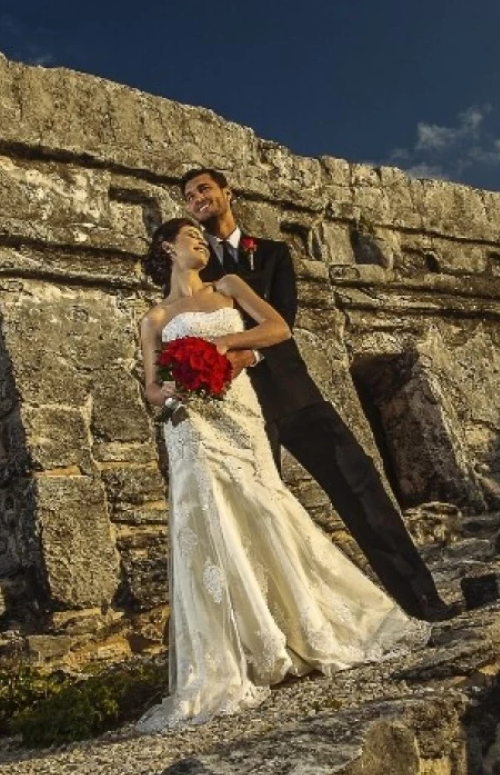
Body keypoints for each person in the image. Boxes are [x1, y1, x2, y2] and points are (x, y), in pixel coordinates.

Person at [134, 218, 429, 732]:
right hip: (192, 426)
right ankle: (244, 648)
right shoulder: (155, 317)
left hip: (237, 411)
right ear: (167, 247)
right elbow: (152, 390)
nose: (201, 242)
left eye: (204, 238)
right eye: (191, 237)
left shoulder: (229, 287)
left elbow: (276, 328)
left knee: (266, 502)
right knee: (210, 521)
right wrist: (176, 388)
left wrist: (221, 350)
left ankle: (304, 626)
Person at [179, 168, 455, 622]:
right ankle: (277, 628)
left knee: (360, 486)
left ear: (227, 193)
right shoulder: (194, 268)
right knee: (251, 514)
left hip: (294, 393)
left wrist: (244, 354)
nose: (198, 200)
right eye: (189, 198)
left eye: (204, 189)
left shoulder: (272, 254)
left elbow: (282, 320)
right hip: (235, 405)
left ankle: (422, 600)